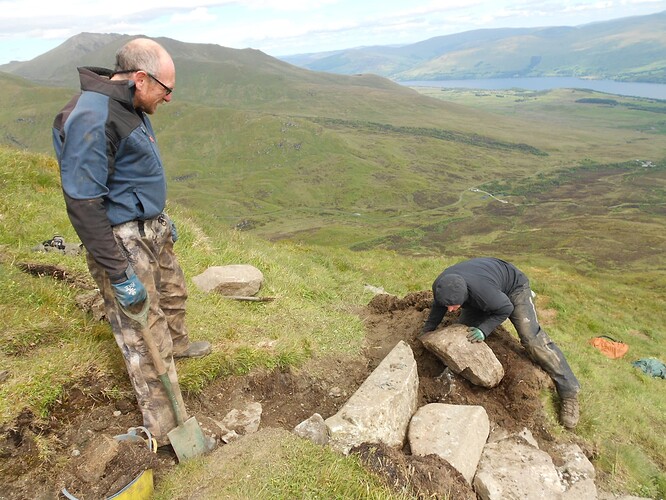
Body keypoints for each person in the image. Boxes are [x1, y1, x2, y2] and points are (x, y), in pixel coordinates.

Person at [52, 38, 211, 446]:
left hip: (151, 227)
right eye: (165, 89)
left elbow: (130, 171)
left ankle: (179, 348)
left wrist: (159, 214)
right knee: (144, 333)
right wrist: (118, 272)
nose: (168, 98)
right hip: (123, 239)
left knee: (173, 294)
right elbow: (84, 203)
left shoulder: (130, 104)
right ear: (141, 78)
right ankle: (169, 429)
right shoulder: (93, 115)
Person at [421, 257, 581, 429]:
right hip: (483, 287)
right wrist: (427, 330)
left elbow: (506, 308)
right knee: (462, 330)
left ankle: (569, 391)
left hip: (514, 288)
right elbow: (439, 306)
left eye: (454, 306)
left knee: (531, 339)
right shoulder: (442, 285)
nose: (450, 310)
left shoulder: (484, 294)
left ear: (465, 295)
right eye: (448, 305)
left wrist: (484, 329)